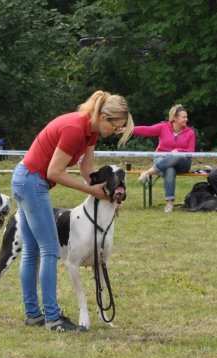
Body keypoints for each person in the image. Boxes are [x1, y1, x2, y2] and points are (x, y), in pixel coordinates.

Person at [12, 90, 133, 332]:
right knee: (48, 250)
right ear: (104, 116)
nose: (115, 132)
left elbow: (87, 168)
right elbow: (54, 172)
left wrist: (109, 197)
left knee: (32, 251)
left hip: (25, 178)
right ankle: (53, 318)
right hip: (32, 181)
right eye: (116, 127)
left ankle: (34, 314)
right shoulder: (75, 128)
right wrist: (91, 192)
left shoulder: (90, 131)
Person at [133, 104, 196, 213]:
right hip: (161, 158)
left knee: (175, 156)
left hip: (183, 162)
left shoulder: (190, 132)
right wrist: (130, 129)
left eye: (186, 117)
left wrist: (178, 151)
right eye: (183, 117)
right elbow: (147, 130)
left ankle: (148, 173)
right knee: (169, 170)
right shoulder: (163, 127)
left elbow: (190, 152)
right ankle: (169, 204)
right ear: (175, 118)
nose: (186, 119)